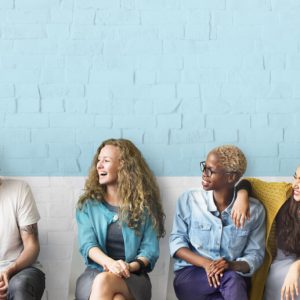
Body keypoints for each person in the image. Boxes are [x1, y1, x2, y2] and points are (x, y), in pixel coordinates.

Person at [169, 145, 266, 300]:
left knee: (231, 281)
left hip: (233, 279)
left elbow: (255, 255)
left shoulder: (254, 211)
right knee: (231, 279)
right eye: (204, 167)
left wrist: (230, 265)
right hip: (191, 276)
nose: (204, 174)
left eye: (210, 171)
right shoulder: (189, 200)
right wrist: (207, 264)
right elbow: (176, 243)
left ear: (231, 177)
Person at [75, 138, 165, 300]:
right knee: (117, 298)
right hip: (94, 274)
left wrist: (128, 267)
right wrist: (111, 264)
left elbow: (149, 251)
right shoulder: (87, 205)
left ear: (123, 165)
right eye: (98, 160)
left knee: (106, 283)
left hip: (133, 277)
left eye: (106, 160)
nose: (99, 165)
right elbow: (88, 245)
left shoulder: (145, 206)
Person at [240, 166, 300, 300]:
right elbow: (248, 182)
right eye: (295, 177)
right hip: (281, 262)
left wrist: (297, 267)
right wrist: (241, 197)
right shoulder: (282, 194)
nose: (295, 185)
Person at [0, 177, 45, 300]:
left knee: (20, 285)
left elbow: (32, 246)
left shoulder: (19, 189)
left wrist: (9, 270)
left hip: (20, 269)